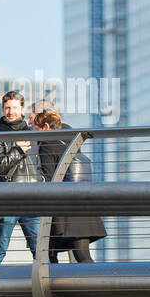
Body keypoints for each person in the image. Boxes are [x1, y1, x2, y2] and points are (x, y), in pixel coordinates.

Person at [34, 108, 106, 262]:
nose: (35, 134)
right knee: (82, 254)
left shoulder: (47, 144)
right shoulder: (71, 139)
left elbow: (48, 178)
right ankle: (94, 283)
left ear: (45, 127)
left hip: (64, 209)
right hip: (82, 201)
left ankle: (94, 284)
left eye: (36, 129)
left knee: (50, 254)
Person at [0, 90, 41, 266]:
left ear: (22, 109)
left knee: (39, 248)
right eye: (7, 108)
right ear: (2, 110)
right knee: (0, 245)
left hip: (32, 199)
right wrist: (18, 151)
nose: (11, 112)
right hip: (8, 199)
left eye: (15, 107)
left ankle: (48, 285)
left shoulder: (34, 135)